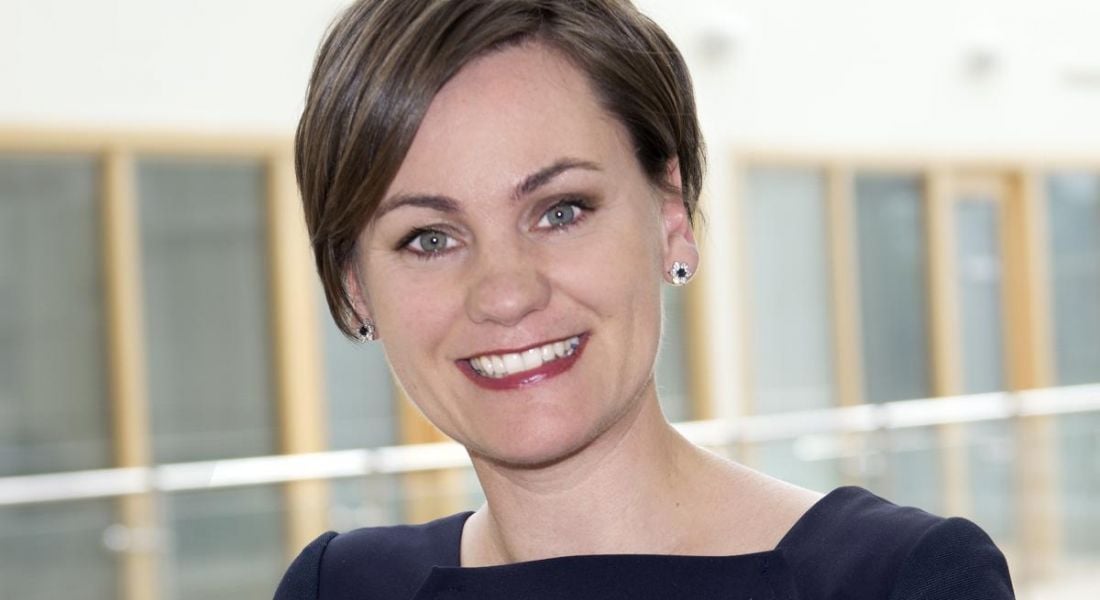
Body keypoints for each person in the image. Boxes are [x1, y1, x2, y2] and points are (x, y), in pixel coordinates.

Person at [275, 1, 1014, 598]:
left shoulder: (901, 581)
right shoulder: (336, 586)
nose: (505, 294)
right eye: (429, 238)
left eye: (561, 210)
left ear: (671, 220)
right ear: (354, 287)